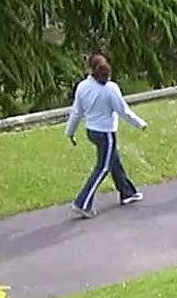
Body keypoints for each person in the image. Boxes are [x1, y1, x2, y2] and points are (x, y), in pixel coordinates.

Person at [63, 57, 147, 219]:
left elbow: (76, 112)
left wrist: (70, 132)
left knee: (113, 160)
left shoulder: (82, 87)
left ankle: (127, 192)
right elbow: (123, 111)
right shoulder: (111, 89)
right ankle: (82, 204)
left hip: (91, 132)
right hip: (106, 134)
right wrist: (140, 124)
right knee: (103, 167)